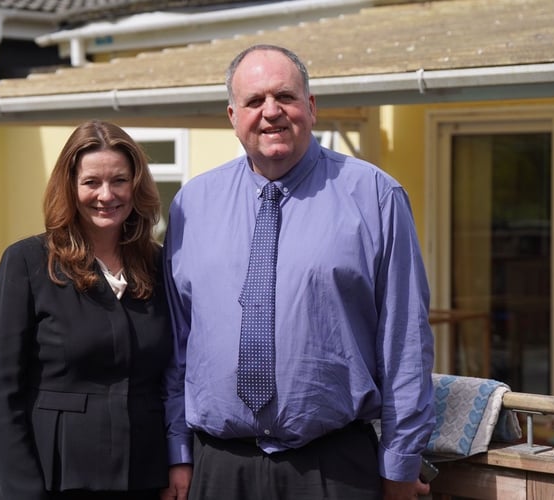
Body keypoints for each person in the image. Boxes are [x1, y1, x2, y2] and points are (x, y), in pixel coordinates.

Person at [161, 44, 435, 500]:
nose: (271, 112)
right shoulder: (192, 205)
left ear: (310, 107)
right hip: (219, 469)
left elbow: (405, 342)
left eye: (285, 97)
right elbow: (176, 344)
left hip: (335, 470)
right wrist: (178, 453)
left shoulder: (376, 197)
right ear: (233, 116)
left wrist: (401, 465)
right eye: (254, 101)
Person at [0, 120, 173, 500]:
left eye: (119, 180)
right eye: (91, 182)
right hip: (52, 479)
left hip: (144, 478)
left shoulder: (159, 265)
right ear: (70, 187)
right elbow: (0, 388)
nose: (107, 194)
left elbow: (171, 376)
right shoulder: (28, 262)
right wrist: (22, 490)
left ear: (136, 185)